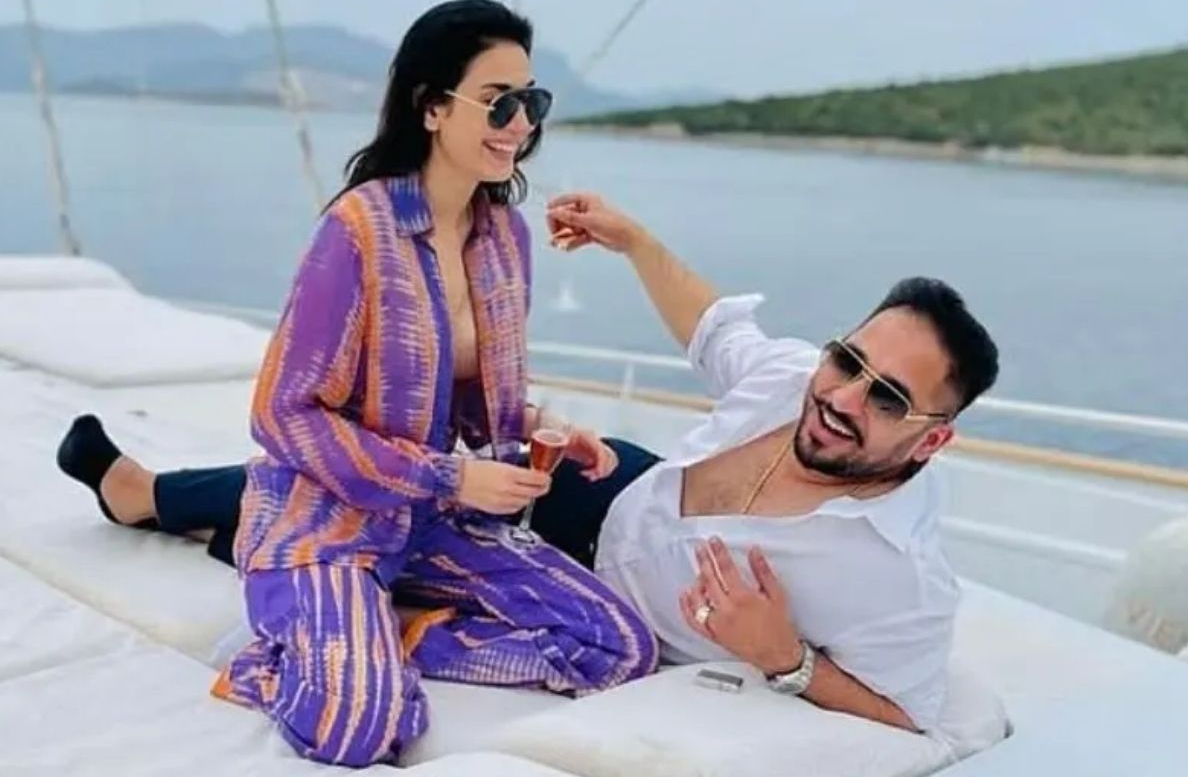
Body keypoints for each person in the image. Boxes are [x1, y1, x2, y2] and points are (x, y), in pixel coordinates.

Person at [61, 205, 997, 734]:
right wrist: (633, 241)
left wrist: (785, 659)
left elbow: (913, 715)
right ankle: (152, 497)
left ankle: (197, 517)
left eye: (887, 398)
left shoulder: (899, 576)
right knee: (427, 469)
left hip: (608, 595)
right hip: (619, 493)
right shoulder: (797, 379)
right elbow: (713, 324)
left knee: (413, 513)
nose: (843, 396)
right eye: (849, 361)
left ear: (932, 439)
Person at [55, 0, 662, 768]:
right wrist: (449, 476)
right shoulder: (357, 231)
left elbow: (478, 406)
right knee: (358, 725)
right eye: (497, 101)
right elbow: (282, 415)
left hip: (429, 523)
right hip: (326, 519)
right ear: (432, 106)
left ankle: (389, 631)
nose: (519, 123)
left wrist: (548, 430)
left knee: (618, 646)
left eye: (531, 102)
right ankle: (301, 651)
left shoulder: (504, 236)